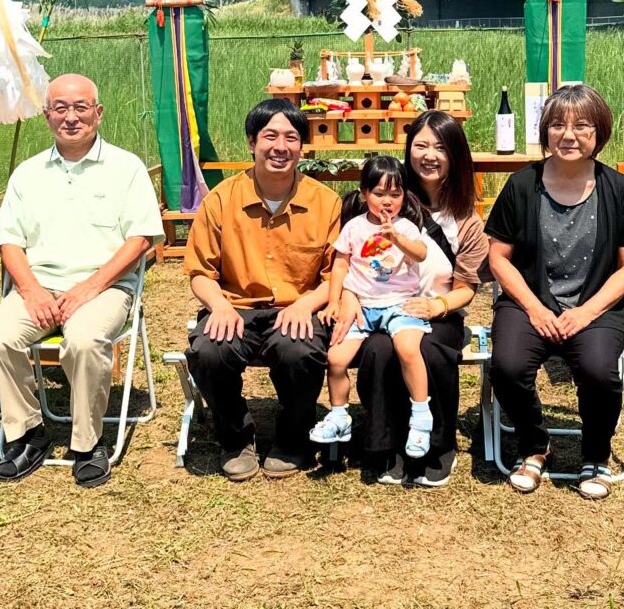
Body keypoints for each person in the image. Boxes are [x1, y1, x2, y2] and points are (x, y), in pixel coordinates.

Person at [0, 73, 163, 487]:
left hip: (105, 287)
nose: (71, 117)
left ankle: (87, 442)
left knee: (83, 341)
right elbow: (9, 243)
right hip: (38, 287)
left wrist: (89, 287)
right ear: (47, 116)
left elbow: (139, 240)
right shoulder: (28, 174)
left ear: (98, 113)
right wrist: (30, 290)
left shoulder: (126, 168)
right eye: (60, 108)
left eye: (81, 107)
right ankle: (28, 433)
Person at [485, 84, 624, 500]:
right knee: (507, 364)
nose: (569, 135)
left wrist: (587, 312)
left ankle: (595, 454)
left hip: (594, 306)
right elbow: (498, 257)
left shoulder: (619, 189)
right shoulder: (521, 186)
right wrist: (535, 309)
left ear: (599, 133)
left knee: (598, 370)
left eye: (582, 126)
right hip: (529, 302)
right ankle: (536, 445)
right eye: (558, 125)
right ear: (545, 131)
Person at [184, 98, 341, 481]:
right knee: (208, 351)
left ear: (302, 147)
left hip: (297, 307)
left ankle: (294, 437)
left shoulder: (326, 202)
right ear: (252, 142)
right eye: (270, 136)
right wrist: (219, 306)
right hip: (235, 305)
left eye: (291, 137)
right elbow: (199, 271)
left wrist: (306, 305)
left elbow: (335, 274)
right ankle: (235, 438)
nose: (280, 147)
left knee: (299, 349)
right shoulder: (221, 200)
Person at [340, 111, 489, 488]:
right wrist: (347, 295)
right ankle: (383, 445)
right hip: (379, 305)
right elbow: (349, 258)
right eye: (420, 145)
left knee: (432, 349)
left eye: (440, 147)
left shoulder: (467, 220)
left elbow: (467, 287)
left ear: (456, 155)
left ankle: (438, 445)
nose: (429, 155)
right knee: (378, 349)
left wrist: (437, 306)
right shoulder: (386, 200)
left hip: (439, 312)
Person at [310, 156, 432, 457]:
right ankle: (340, 416)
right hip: (362, 308)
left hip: (400, 305)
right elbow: (340, 265)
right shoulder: (354, 227)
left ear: (405, 196)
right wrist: (335, 301)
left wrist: (397, 238)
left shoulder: (406, 227)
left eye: (395, 194)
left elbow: (420, 254)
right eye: (379, 193)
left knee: (407, 349)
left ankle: (420, 417)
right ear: (364, 194)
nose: (387, 201)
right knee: (336, 359)